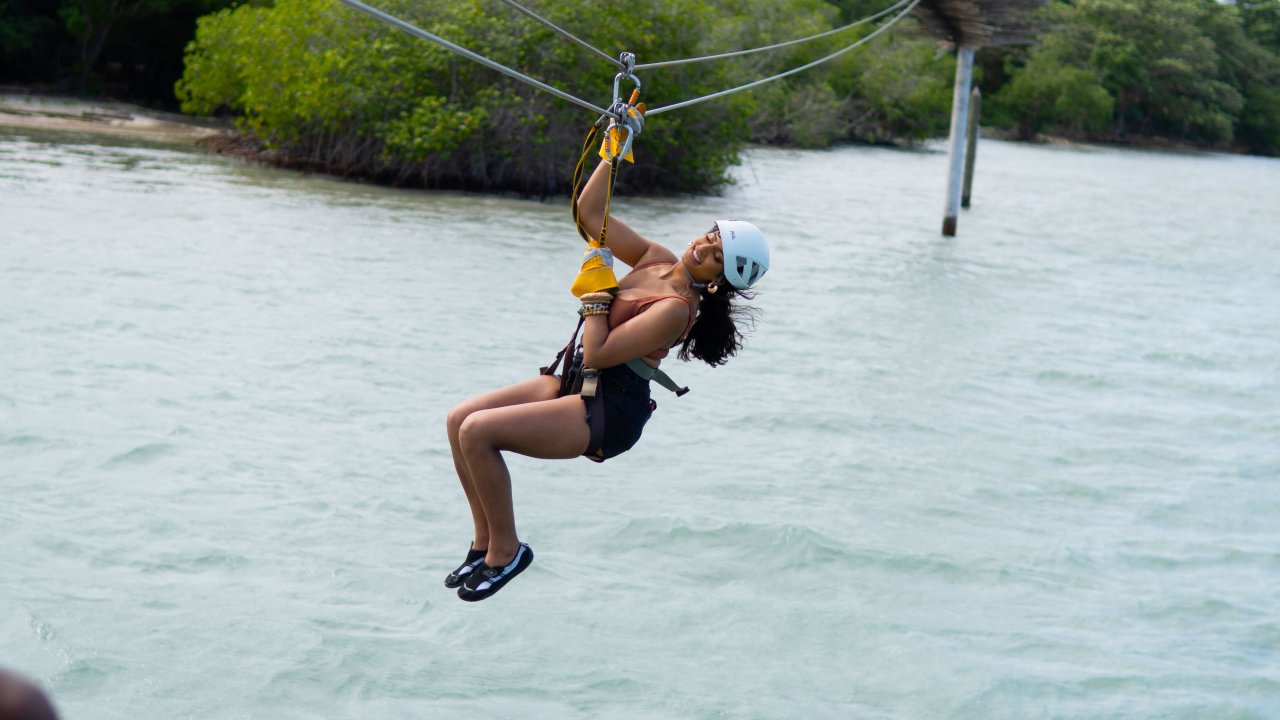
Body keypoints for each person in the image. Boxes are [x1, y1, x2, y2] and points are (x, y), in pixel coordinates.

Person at [443, 155, 770, 602]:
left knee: (479, 432)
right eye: (712, 238)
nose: (705, 250)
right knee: (459, 418)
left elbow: (599, 351)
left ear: (717, 282)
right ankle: (483, 544)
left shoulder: (676, 308)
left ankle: (508, 552)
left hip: (608, 408)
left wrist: (598, 293)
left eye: (717, 258)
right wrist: (612, 154)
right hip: (577, 380)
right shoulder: (656, 259)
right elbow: (589, 215)